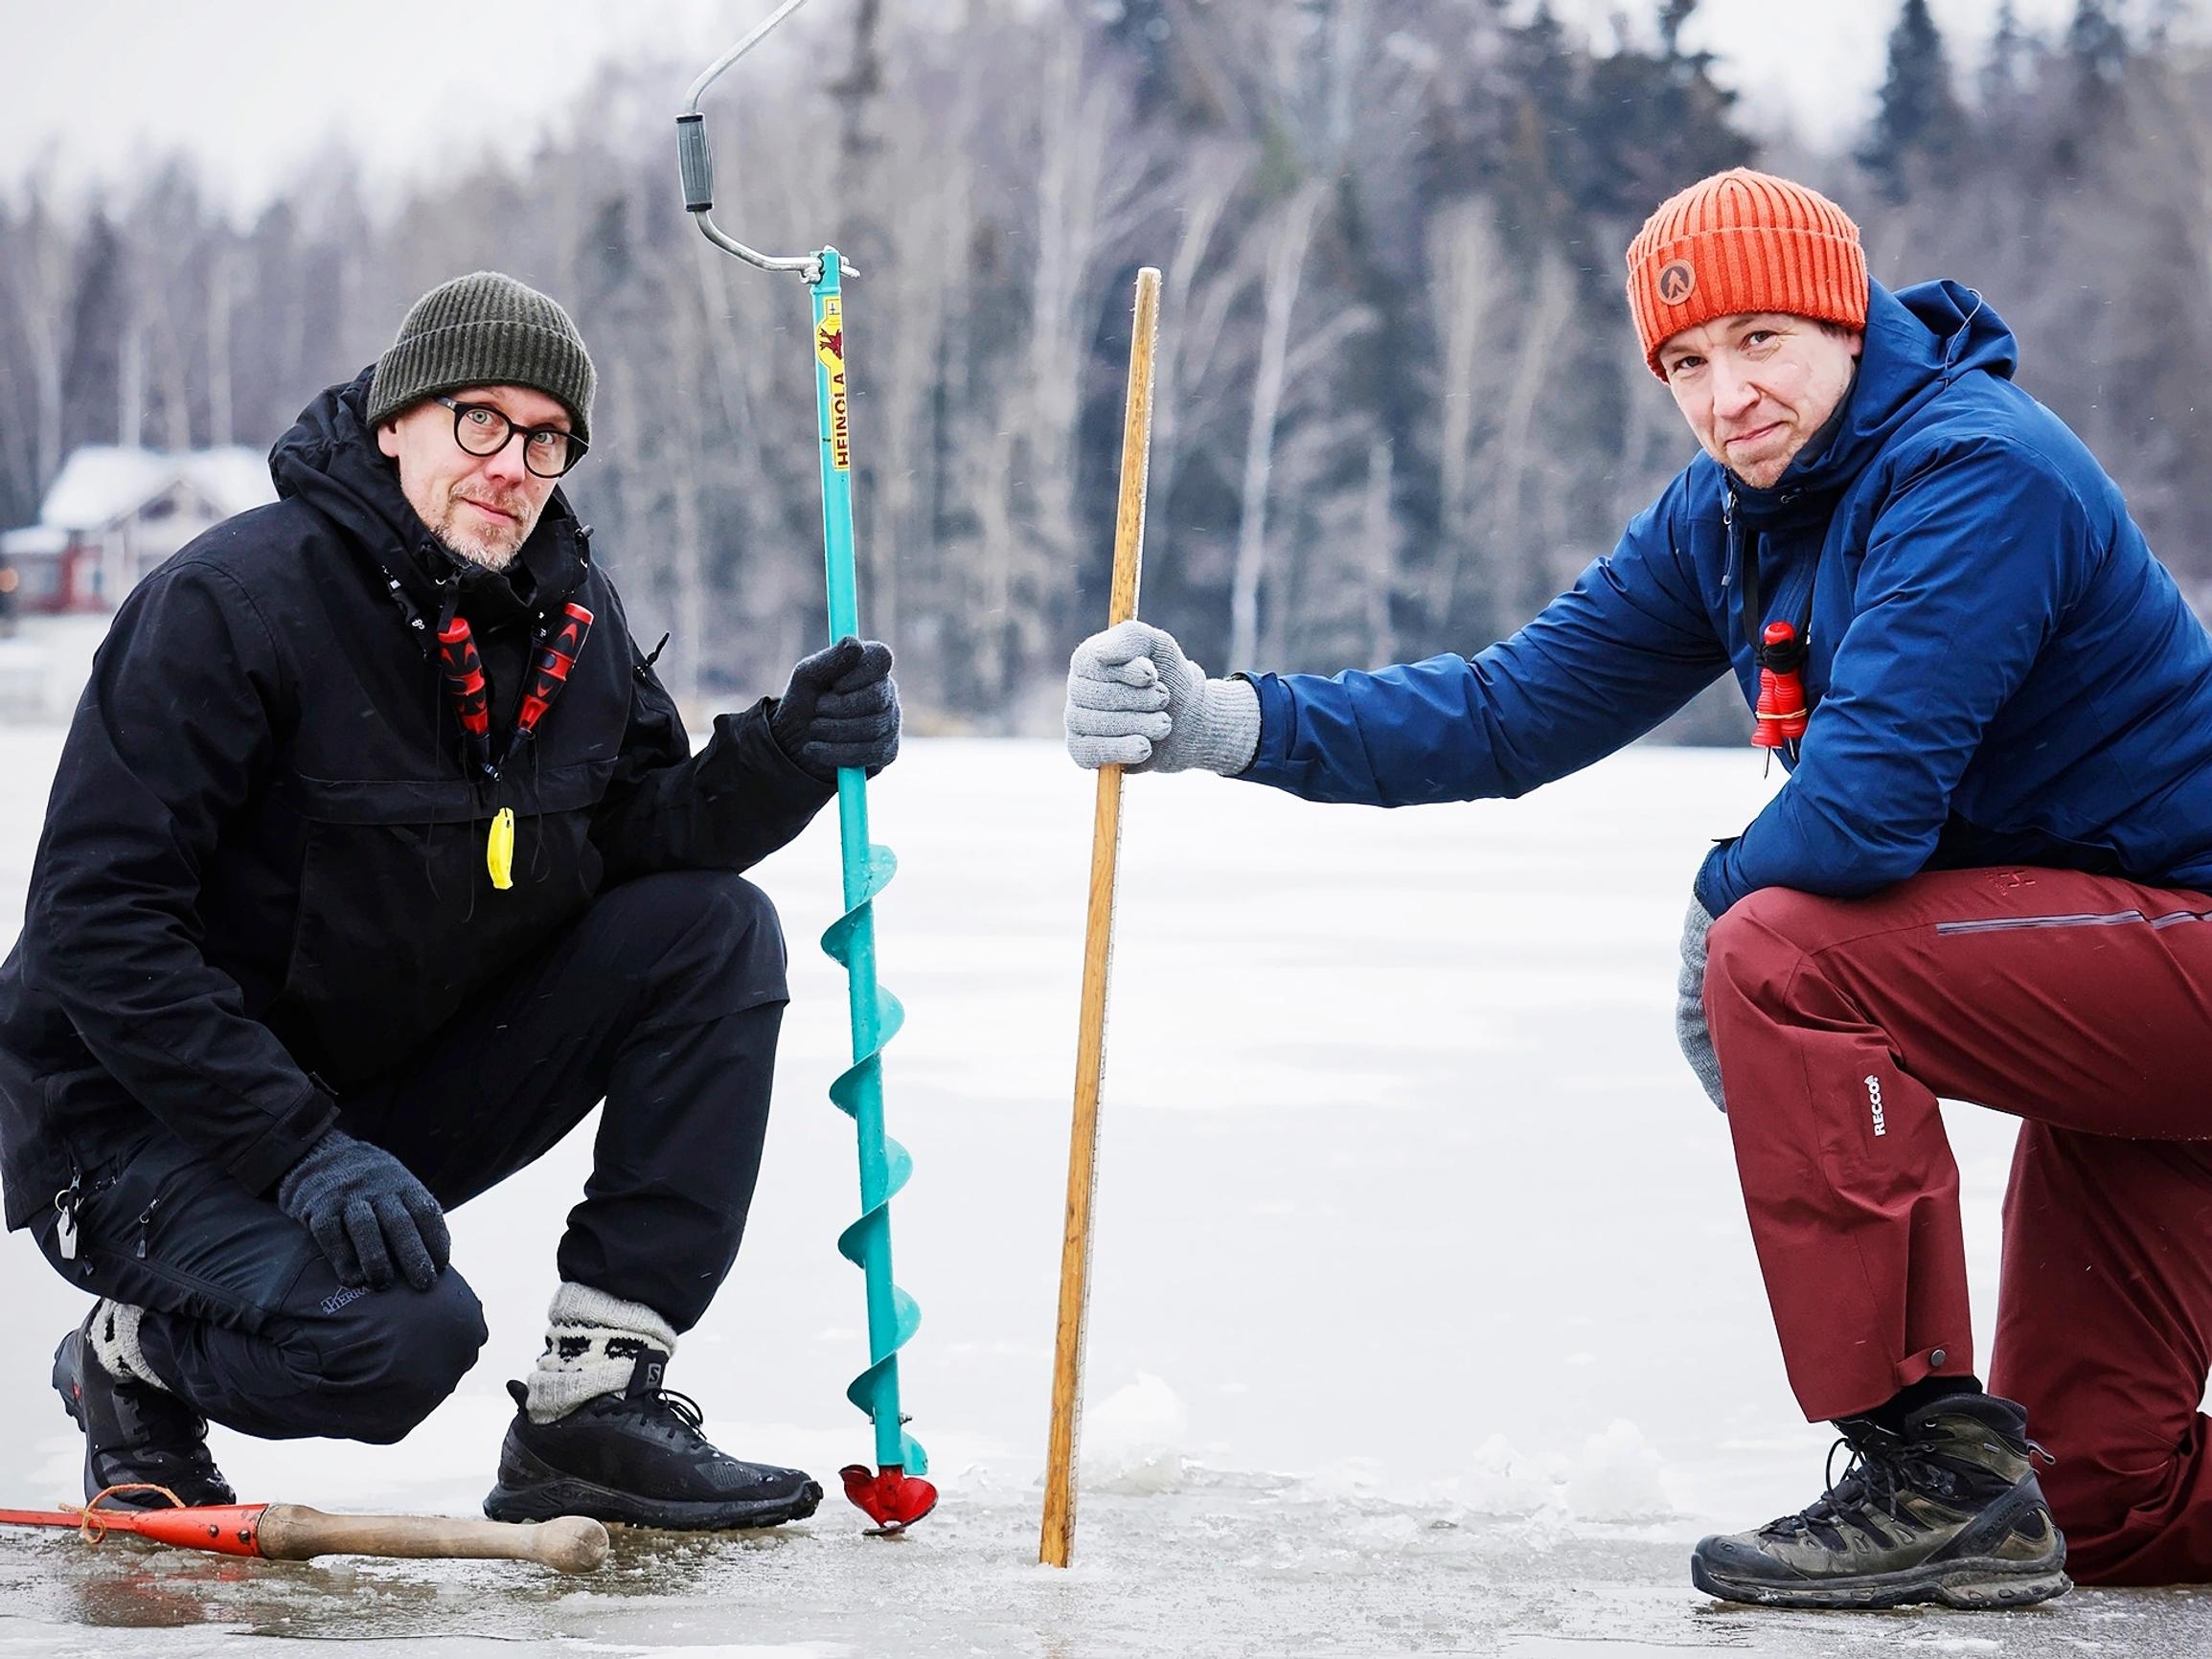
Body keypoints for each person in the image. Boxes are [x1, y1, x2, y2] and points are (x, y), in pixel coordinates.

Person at [1064, 169, 2212, 1609]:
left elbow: (1861, 817)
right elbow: (1505, 712)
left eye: (1758, 341)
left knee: (1787, 949)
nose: (1724, 394)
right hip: (2117, 1003)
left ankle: (1927, 1461)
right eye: (1683, 363)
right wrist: (1223, 723)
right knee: (2102, 1507)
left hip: (2183, 961)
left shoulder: (1974, 473)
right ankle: (1990, 1494)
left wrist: (1713, 926)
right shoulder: (1730, 517)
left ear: (1846, 324)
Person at [0, 271, 901, 1532]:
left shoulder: (570, 622)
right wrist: (297, 1153)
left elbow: (647, 846)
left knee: (710, 932)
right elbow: (100, 928)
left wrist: (788, 753)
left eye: (546, 439)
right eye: (480, 419)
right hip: (142, 1126)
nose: (513, 463)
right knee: (396, 1345)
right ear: (393, 421)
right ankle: (128, 1362)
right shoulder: (233, 604)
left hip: (367, 1102)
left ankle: (593, 1405)